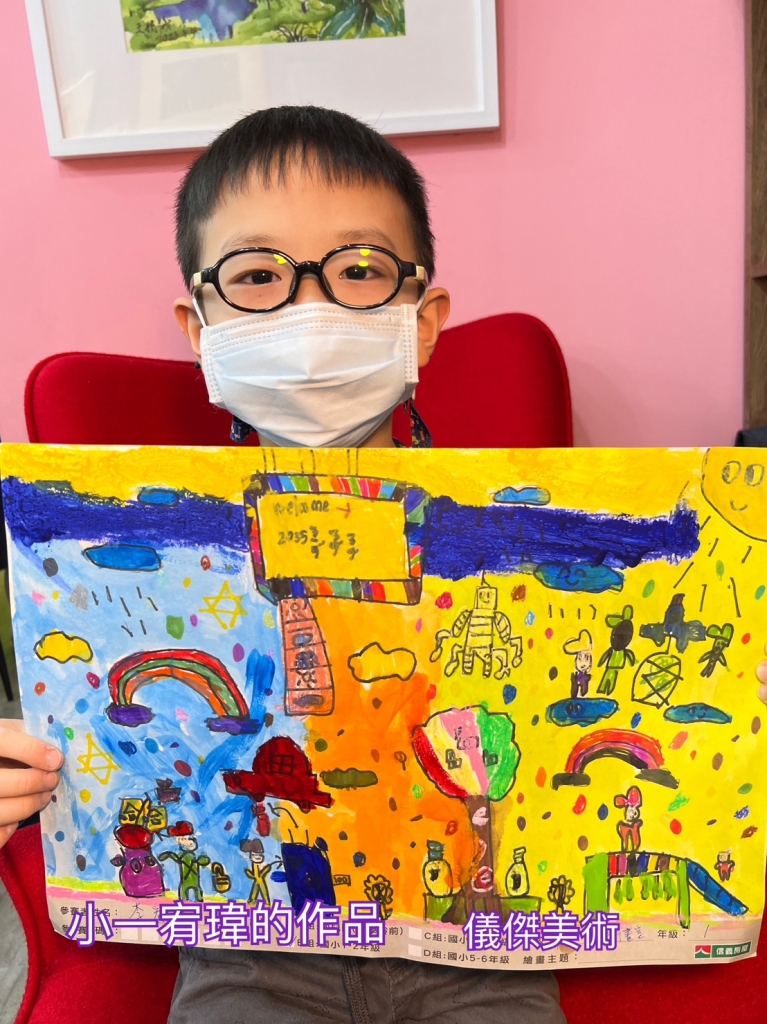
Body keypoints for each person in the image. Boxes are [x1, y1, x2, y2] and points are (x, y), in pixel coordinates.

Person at [0, 105, 765, 1023]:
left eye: (359, 270)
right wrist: (24, 777)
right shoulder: (152, 550)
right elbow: (88, 742)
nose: (311, 311)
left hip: (484, 955)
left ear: (423, 319)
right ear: (199, 326)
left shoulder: (491, 536)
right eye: (257, 276)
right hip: (252, 953)